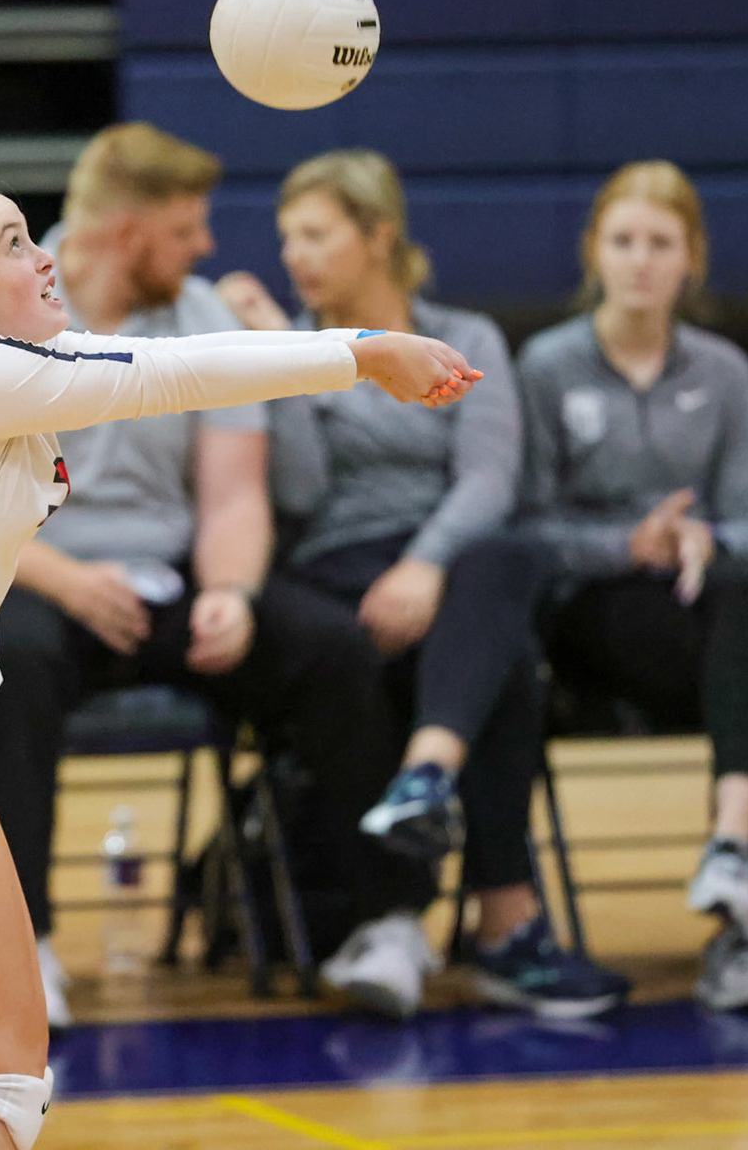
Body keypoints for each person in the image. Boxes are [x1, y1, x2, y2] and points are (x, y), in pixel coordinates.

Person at [0, 162, 475, 1150]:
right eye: (16, 242)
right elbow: (170, 372)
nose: (45, 255)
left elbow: (148, 360)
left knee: (0, 1076)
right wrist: (363, 349)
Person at [0, 124, 412, 1027]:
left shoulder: (202, 314)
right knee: (7, 664)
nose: (206, 248)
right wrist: (62, 579)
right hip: (37, 573)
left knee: (331, 649)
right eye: (186, 230)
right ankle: (27, 948)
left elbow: (235, 495)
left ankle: (386, 922)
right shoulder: (2, 306)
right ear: (129, 232)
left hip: (169, 576)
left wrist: (232, 594)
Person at [219, 150, 629, 1018]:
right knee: (499, 653)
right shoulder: (297, 342)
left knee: (507, 562)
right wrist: (282, 360)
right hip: (336, 567)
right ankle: (501, 928)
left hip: (446, 560)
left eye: (316, 234)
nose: (295, 255)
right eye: (287, 236)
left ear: (379, 236)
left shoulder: (468, 338)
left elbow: (489, 480)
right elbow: (297, 492)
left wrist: (425, 566)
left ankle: (423, 800)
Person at [515, 160, 748, 1012]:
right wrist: (625, 545)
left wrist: (702, 536)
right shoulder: (548, 367)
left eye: (660, 243)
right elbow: (523, 534)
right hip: (588, 619)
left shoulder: (722, 372)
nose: (640, 260)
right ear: (594, 250)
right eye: (623, 240)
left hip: (699, 606)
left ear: (691, 261)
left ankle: (730, 863)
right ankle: (743, 915)